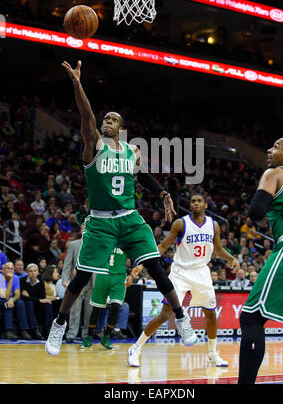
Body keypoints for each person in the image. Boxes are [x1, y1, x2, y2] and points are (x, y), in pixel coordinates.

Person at [45, 60, 196, 356]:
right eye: (106, 119)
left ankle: (181, 317)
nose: (107, 121)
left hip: (129, 218)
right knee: (82, 277)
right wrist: (77, 84)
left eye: (113, 120)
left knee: (155, 266)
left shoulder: (132, 151)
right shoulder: (94, 146)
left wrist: (163, 192)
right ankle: (59, 324)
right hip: (100, 221)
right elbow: (86, 115)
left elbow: (142, 176)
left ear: (122, 128)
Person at [128, 194, 239, 367]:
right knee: (165, 314)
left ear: (205, 204)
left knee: (210, 315)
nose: (195, 203)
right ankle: (136, 348)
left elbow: (218, 249)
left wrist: (232, 259)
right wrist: (143, 263)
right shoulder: (180, 223)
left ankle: (212, 354)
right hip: (180, 273)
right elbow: (164, 246)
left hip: (202, 273)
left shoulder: (214, 225)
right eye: (193, 201)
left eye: (199, 201)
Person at [238, 136, 283, 385]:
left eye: (275, 146)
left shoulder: (274, 173)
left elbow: (256, 212)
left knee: (251, 317)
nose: (268, 148)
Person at [80, 246, 141, 350]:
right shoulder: (105, 237)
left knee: (116, 306)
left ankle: (106, 337)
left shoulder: (125, 240)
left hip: (119, 277)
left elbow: (137, 258)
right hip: (103, 275)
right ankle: (89, 337)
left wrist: (131, 274)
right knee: (96, 308)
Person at [61, 235, 93, 344]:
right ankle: (71, 334)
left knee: (90, 310)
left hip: (93, 280)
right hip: (78, 279)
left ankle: (86, 335)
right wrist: (65, 279)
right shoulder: (74, 244)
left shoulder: (97, 243)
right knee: (75, 309)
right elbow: (67, 264)